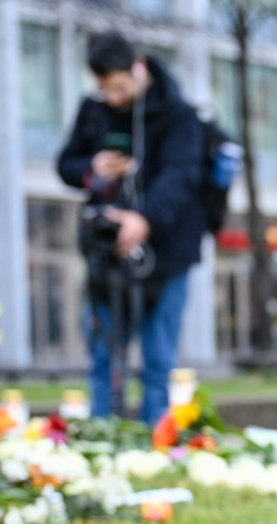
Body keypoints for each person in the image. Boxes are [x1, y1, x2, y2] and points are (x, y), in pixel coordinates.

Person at [57, 32, 207, 424]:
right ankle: (104, 435)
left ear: (138, 69)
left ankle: (157, 439)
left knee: (158, 360)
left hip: (167, 253)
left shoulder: (179, 115)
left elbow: (180, 176)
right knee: (102, 356)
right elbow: (66, 164)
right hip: (106, 257)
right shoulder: (94, 111)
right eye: (105, 89)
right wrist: (93, 167)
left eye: (120, 88)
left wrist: (145, 219)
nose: (113, 98)